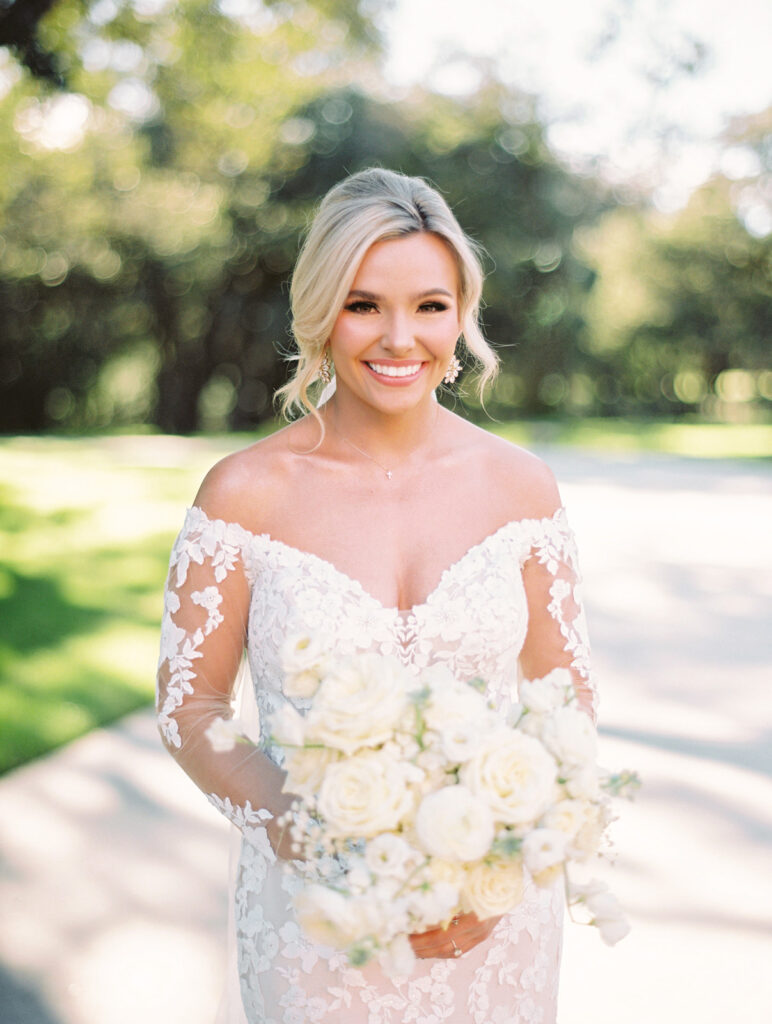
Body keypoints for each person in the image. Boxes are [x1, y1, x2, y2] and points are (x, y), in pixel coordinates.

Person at [156, 167, 596, 1024]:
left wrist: (498, 867)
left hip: (493, 926)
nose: (401, 339)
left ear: (462, 313)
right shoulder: (243, 494)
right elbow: (192, 706)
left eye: (430, 306)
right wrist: (319, 841)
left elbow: (566, 700)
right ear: (320, 311)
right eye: (365, 305)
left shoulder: (522, 489)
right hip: (318, 924)